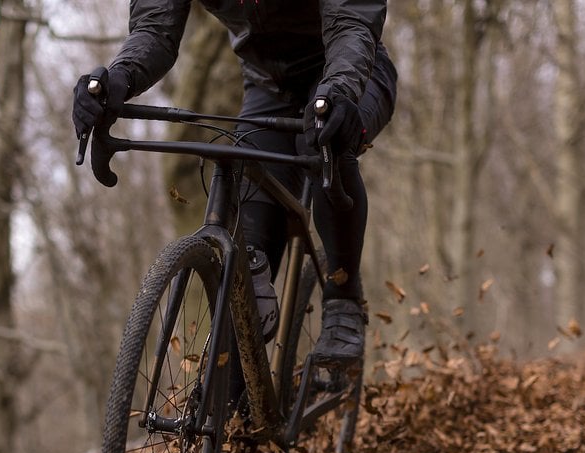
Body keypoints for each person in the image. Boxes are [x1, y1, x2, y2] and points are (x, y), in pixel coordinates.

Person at [72, 1, 397, 364]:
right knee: (248, 277)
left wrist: (339, 89)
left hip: (356, 74)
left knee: (324, 143)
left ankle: (343, 301)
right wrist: (118, 79)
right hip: (268, 87)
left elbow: (351, 24)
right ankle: (235, 405)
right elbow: (155, 31)